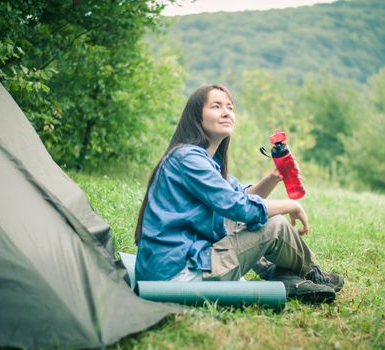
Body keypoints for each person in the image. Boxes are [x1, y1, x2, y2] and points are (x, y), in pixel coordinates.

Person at [134, 84, 343, 303]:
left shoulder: (205, 160)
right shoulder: (188, 159)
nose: (226, 112)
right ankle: (309, 273)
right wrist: (292, 205)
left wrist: (274, 178)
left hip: (185, 260)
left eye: (230, 107)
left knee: (263, 218)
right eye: (216, 106)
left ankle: (286, 277)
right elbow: (239, 207)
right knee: (275, 225)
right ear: (196, 117)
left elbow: (241, 196)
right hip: (178, 277)